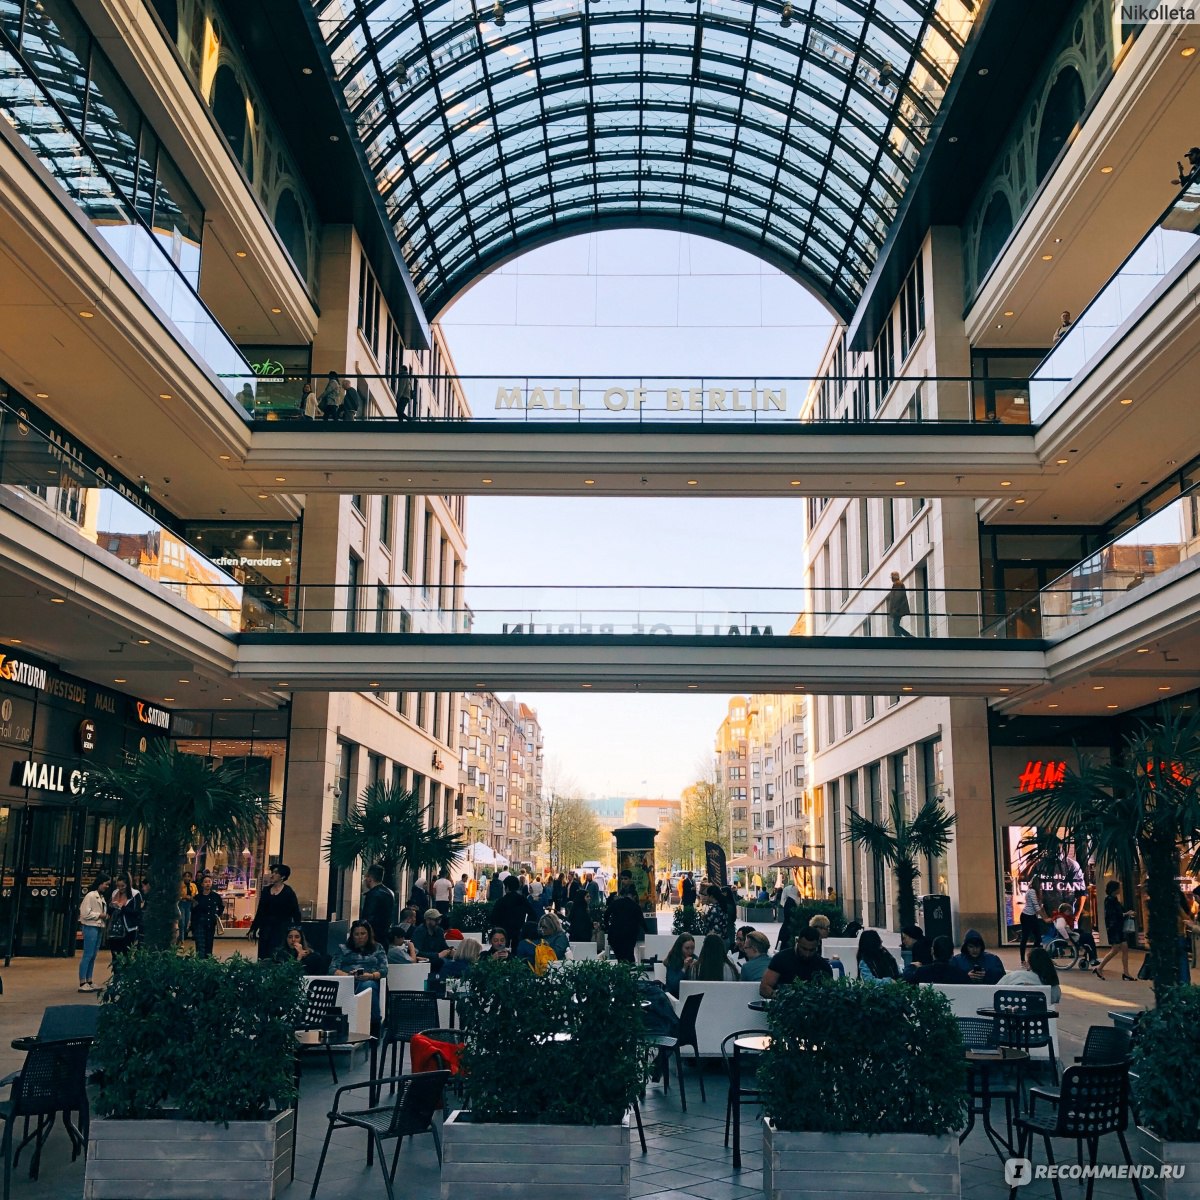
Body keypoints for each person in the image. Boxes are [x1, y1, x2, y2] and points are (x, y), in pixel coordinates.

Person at [332, 920, 388, 1029]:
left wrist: (370, 976)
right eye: (356, 934)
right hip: (347, 982)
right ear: (352, 936)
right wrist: (348, 976)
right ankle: (373, 1025)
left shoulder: (378, 948)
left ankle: (372, 1023)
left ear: (368, 934)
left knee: (368, 986)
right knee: (365, 987)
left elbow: (384, 970)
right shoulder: (343, 949)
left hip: (370, 979)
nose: (360, 937)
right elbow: (332, 969)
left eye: (363, 933)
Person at [759, 926, 833, 997]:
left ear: (818, 945)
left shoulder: (823, 966)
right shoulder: (781, 959)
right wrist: (780, 997)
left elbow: (829, 992)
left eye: (811, 950)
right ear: (797, 941)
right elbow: (764, 987)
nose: (807, 954)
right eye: (804, 949)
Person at [248, 863, 302, 961]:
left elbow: (295, 912)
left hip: (281, 930)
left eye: (275, 873)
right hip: (265, 929)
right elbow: (260, 910)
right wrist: (253, 928)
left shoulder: (288, 892)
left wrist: (297, 930)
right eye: (272, 872)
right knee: (263, 956)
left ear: (283, 876)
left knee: (277, 956)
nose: (272, 875)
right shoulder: (266, 890)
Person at [1094, 880, 1136, 981]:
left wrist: (1126, 913)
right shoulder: (1109, 900)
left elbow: (1118, 912)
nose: (1120, 890)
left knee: (1124, 948)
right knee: (1115, 949)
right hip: (1114, 928)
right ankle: (1099, 968)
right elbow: (1112, 915)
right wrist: (1125, 914)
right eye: (1118, 888)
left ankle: (1126, 972)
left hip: (1118, 927)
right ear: (1115, 889)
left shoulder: (1114, 899)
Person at [78, 875, 110, 992]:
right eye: (105, 884)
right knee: (88, 954)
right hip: (90, 926)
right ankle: (82, 982)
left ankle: (89, 980)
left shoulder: (100, 897)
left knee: (93, 955)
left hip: (97, 927)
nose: (106, 886)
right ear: (100, 883)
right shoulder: (91, 896)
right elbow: (85, 913)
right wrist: (100, 915)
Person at [491, 874, 536, 950]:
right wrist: (525, 926)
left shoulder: (501, 901)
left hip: (504, 932)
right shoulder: (522, 899)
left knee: (502, 952)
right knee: (517, 952)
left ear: (507, 887)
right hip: (518, 930)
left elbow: (494, 917)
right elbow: (532, 914)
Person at [606, 884, 647, 963]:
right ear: (633, 896)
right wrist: (648, 932)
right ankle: (630, 970)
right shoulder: (635, 906)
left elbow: (606, 914)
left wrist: (608, 927)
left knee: (620, 956)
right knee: (629, 954)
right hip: (629, 935)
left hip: (615, 935)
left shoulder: (615, 903)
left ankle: (621, 969)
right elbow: (641, 920)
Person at [360, 864, 396, 948]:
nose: (365, 880)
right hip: (384, 937)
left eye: (366, 877)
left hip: (373, 939)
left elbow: (368, 918)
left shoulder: (373, 895)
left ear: (370, 878)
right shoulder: (390, 892)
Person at [191, 873, 225, 959]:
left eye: (209, 882)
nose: (207, 884)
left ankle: (208, 962)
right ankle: (200, 963)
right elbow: (193, 911)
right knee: (200, 945)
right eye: (205, 882)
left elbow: (221, 906)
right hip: (200, 923)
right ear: (202, 884)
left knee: (209, 944)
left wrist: (217, 915)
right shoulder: (197, 897)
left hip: (210, 923)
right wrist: (193, 925)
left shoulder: (216, 896)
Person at [1018, 880, 1049, 965]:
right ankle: (1023, 960)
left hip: (1032, 916)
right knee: (1025, 937)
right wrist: (1044, 918)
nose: (1041, 886)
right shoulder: (1032, 891)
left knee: (1038, 937)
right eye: (1041, 885)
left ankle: (1033, 957)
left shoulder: (1036, 892)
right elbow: (1036, 906)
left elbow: (1040, 906)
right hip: (1027, 916)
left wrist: (1046, 917)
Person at [887, 570, 911, 637]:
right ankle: (903, 636)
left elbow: (897, 597)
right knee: (895, 625)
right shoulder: (898, 584)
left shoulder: (897, 584)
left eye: (891, 577)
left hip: (898, 609)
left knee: (895, 625)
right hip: (898, 608)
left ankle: (902, 636)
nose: (891, 579)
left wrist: (895, 608)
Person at [177, 870, 197, 945]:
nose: (187, 878)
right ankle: (182, 941)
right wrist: (185, 897)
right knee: (182, 922)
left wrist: (192, 898)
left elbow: (196, 894)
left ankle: (180, 938)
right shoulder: (180, 885)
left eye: (188, 876)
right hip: (182, 903)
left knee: (186, 923)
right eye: (185, 876)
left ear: (191, 878)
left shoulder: (193, 885)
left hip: (189, 904)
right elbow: (178, 894)